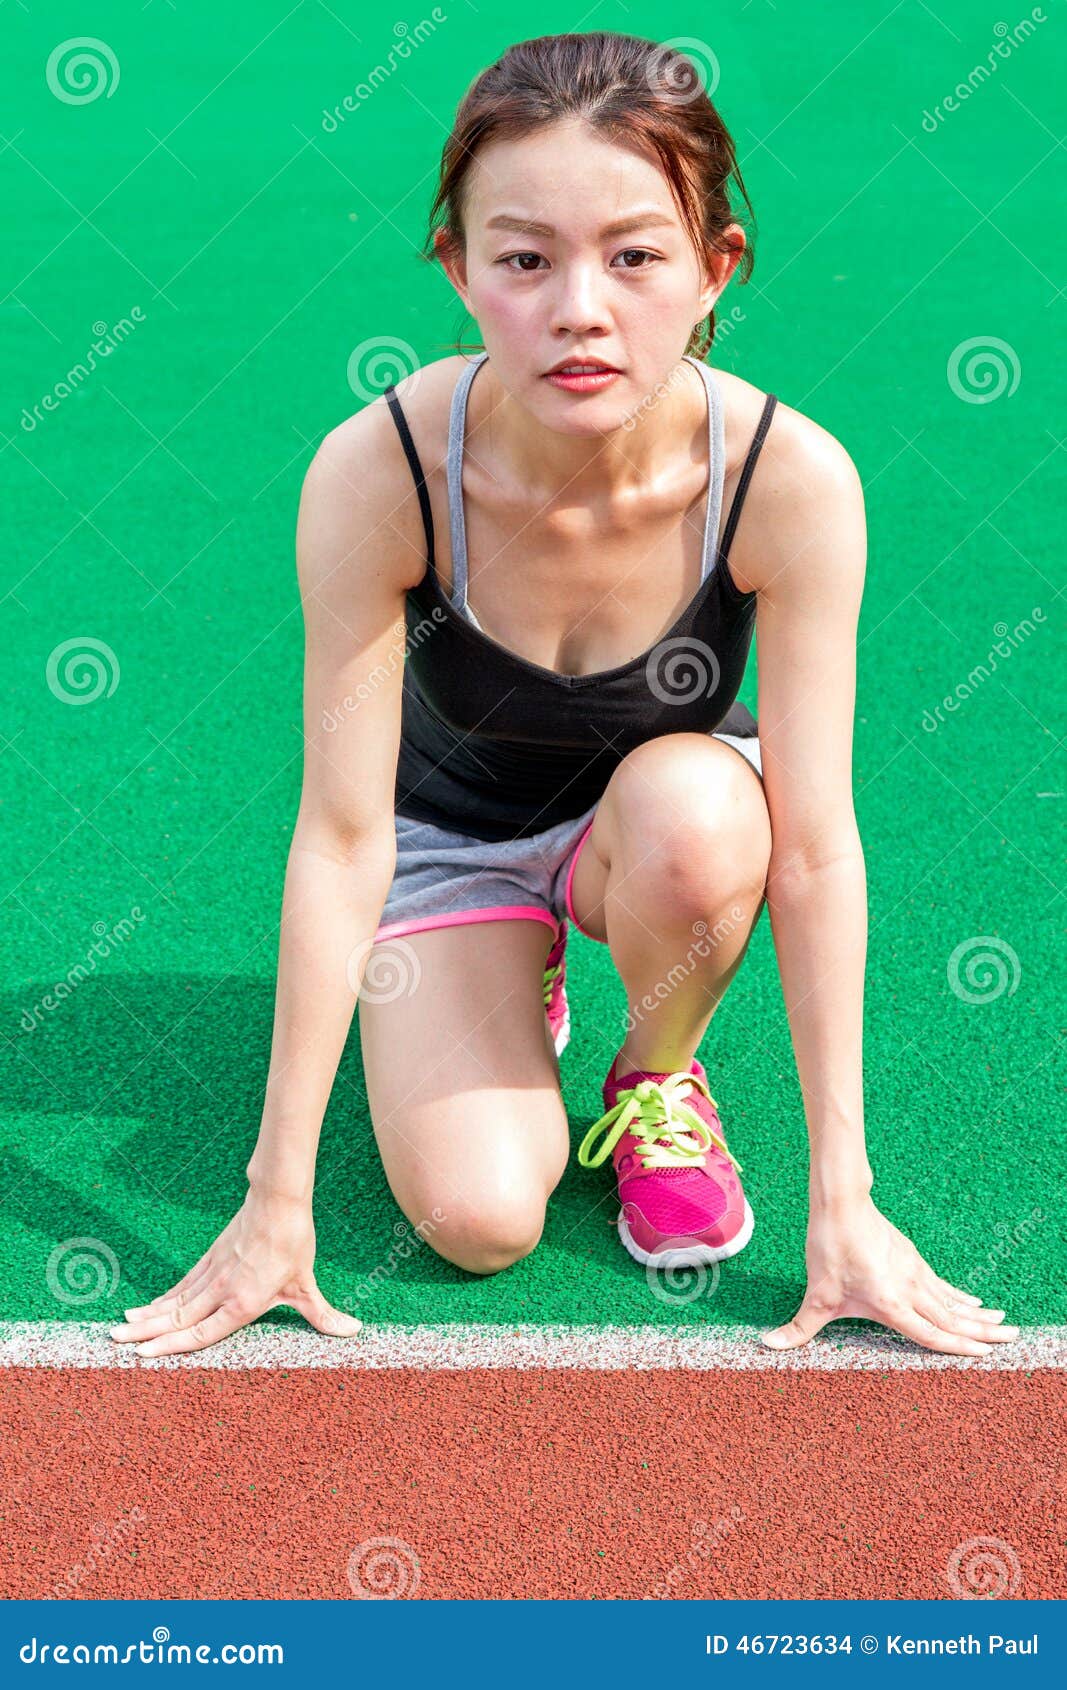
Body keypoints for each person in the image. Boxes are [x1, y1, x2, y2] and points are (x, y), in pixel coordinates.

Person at [110, 32, 1016, 1361]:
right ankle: (497, 978)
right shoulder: (383, 476)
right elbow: (343, 832)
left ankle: (658, 1065)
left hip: (654, 841)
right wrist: (273, 1198)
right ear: (459, 274)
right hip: (447, 842)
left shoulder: (787, 480)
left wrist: (849, 1197)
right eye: (525, 258)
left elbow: (814, 845)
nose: (580, 309)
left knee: (706, 816)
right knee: (478, 1214)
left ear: (717, 272)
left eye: (636, 256)